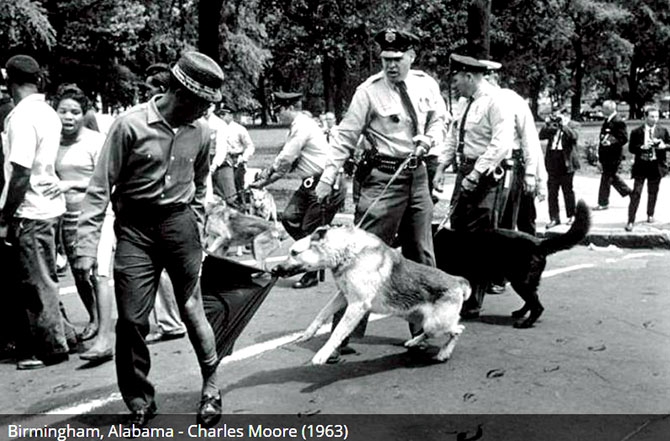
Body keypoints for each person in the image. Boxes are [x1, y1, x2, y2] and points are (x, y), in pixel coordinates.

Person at [74, 51, 224, 427]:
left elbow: (201, 181)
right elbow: (99, 188)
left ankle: (211, 387)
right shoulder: (129, 125)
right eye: (202, 103)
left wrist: (198, 223)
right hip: (135, 231)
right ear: (180, 93)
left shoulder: (202, 131)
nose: (205, 111)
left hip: (179, 226)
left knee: (192, 311)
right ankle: (139, 399)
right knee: (131, 321)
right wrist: (86, 246)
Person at [314, 28, 448, 360]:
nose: (391, 66)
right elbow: (345, 136)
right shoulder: (368, 92)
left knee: (421, 256)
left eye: (397, 59)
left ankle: (423, 332)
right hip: (383, 178)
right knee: (360, 258)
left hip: (417, 176)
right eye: (386, 59)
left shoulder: (426, 84)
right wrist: (329, 175)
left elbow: (440, 119)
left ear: (411, 56)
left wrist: (429, 141)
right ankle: (339, 338)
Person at [0, 55, 70, 370]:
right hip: (50, 206)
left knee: (37, 281)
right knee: (46, 276)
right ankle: (61, 334)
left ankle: (51, 346)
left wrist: (5, 213)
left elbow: (20, 172)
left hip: (31, 207)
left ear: (8, 79)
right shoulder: (48, 112)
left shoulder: (20, 117)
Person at [432, 53, 513, 318]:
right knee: (460, 236)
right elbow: (454, 137)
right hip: (465, 171)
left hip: (486, 176)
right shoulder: (467, 103)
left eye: (457, 79)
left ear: (469, 76)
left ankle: (473, 302)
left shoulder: (496, 101)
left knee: (479, 241)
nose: (455, 85)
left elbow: (501, 144)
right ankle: (461, 293)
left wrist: (476, 173)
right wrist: (442, 166)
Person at [251, 91, 346, 289]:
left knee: (308, 229)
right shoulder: (297, 126)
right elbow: (287, 166)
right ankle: (314, 256)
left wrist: (266, 174)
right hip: (309, 183)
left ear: (290, 108)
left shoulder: (302, 125)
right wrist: (264, 183)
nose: (276, 115)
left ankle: (310, 271)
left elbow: (286, 158)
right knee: (289, 218)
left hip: (325, 182)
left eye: (278, 110)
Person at [625, 105, 670, 231]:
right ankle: (630, 220)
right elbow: (631, 148)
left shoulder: (663, 130)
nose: (654, 119)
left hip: (655, 166)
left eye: (656, 116)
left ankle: (650, 214)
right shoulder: (636, 132)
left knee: (653, 192)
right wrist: (641, 148)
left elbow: (669, 144)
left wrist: (663, 146)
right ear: (645, 117)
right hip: (641, 165)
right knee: (636, 193)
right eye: (652, 116)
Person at [539, 109, 580, 229]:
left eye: (563, 114)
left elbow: (574, 137)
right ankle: (554, 218)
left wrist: (564, 126)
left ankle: (571, 215)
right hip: (553, 161)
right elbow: (541, 136)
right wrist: (548, 124)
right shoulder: (553, 126)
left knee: (568, 191)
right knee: (552, 192)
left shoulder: (573, 125)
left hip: (566, 162)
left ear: (567, 115)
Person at [210, 106, 255, 206]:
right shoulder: (216, 126)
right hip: (222, 161)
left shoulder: (239, 129)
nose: (221, 117)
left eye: (224, 114)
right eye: (220, 114)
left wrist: (243, 158)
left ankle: (241, 210)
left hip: (237, 161)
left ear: (231, 115)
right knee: (219, 190)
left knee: (237, 190)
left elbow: (250, 146)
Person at [594, 100, 632, 210]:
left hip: (613, 156)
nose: (602, 110)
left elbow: (623, 138)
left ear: (609, 109)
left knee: (606, 178)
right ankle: (630, 193)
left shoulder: (618, 121)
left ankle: (603, 203)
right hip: (606, 155)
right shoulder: (607, 120)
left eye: (603, 108)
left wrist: (611, 142)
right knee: (611, 177)